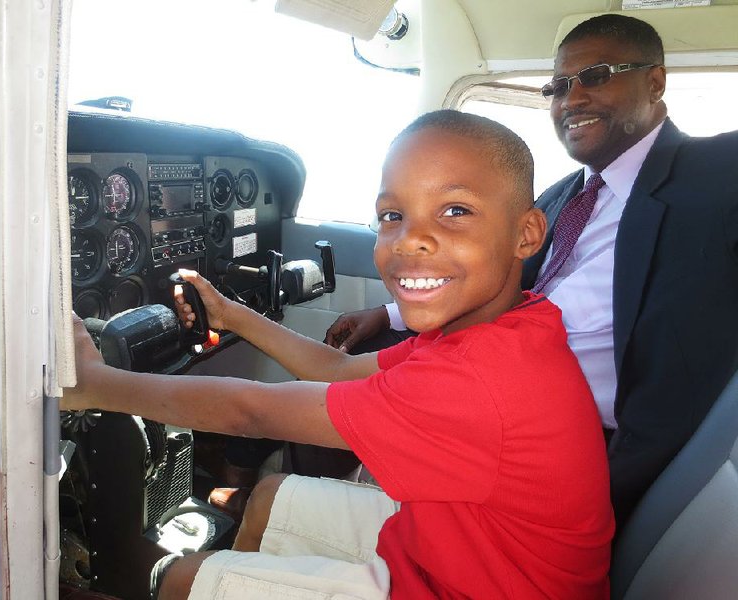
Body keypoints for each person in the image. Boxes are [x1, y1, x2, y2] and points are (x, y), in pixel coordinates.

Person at [64, 111, 614, 599]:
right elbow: (339, 370)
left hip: (468, 586)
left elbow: (248, 412)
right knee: (271, 496)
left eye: (454, 210)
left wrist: (95, 384)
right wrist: (233, 315)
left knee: (176, 578)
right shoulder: (512, 323)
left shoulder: (478, 382)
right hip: (473, 551)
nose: (410, 240)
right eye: (392, 215)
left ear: (527, 233)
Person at [324, 13, 738, 530]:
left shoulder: (717, 173)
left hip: (585, 441)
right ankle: (279, 492)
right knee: (354, 355)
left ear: (654, 82)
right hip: (500, 389)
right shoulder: (563, 196)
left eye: (596, 75)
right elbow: (500, 279)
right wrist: (388, 312)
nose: (572, 99)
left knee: (330, 400)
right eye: (559, 86)